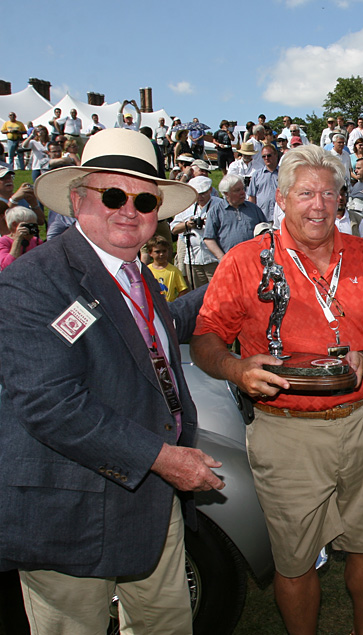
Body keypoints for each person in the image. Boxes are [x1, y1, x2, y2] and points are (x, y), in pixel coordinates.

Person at [191, 144, 363, 635]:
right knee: (293, 558)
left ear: (342, 199)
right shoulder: (246, 261)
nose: (318, 205)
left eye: (329, 194)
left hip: (360, 423)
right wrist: (236, 369)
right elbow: (205, 338)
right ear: (282, 197)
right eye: (306, 193)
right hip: (284, 429)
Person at [0, 128, 217, 634]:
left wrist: (224, 282)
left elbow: (145, 340)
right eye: (113, 195)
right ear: (78, 200)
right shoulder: (33, 282)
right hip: (68, 510)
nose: (129, 209)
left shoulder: (133, 274)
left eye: (144, 199)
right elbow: (52, 405)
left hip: (149, 500)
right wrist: (165, 458)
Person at [171, 176, 223, 287]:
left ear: (210, 190)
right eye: (197, 194)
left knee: (217, 290)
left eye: (203, 193)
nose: (200, 197)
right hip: (193, 259)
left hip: (212, 259)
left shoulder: (220, 205)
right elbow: (174, 229)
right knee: (196, 293)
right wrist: (187, 225)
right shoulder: (187, 205)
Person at [204, 174, 267, 260]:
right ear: (226, 193)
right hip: (230, 262)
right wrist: (222, 258)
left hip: (254, 260)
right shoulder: (216, 211)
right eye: (237, 190)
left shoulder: (254, 209)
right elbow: (209, 239)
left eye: (243, 189)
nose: (242, 193)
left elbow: (266, 232)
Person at [145, 235, 189, 302]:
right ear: (150, 253)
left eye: (164, 251)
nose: (161, 254)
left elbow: (183, 290)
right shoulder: (147, 270)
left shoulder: (174, 271)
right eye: (157, 252)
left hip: (168, 306)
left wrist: (175, 303)